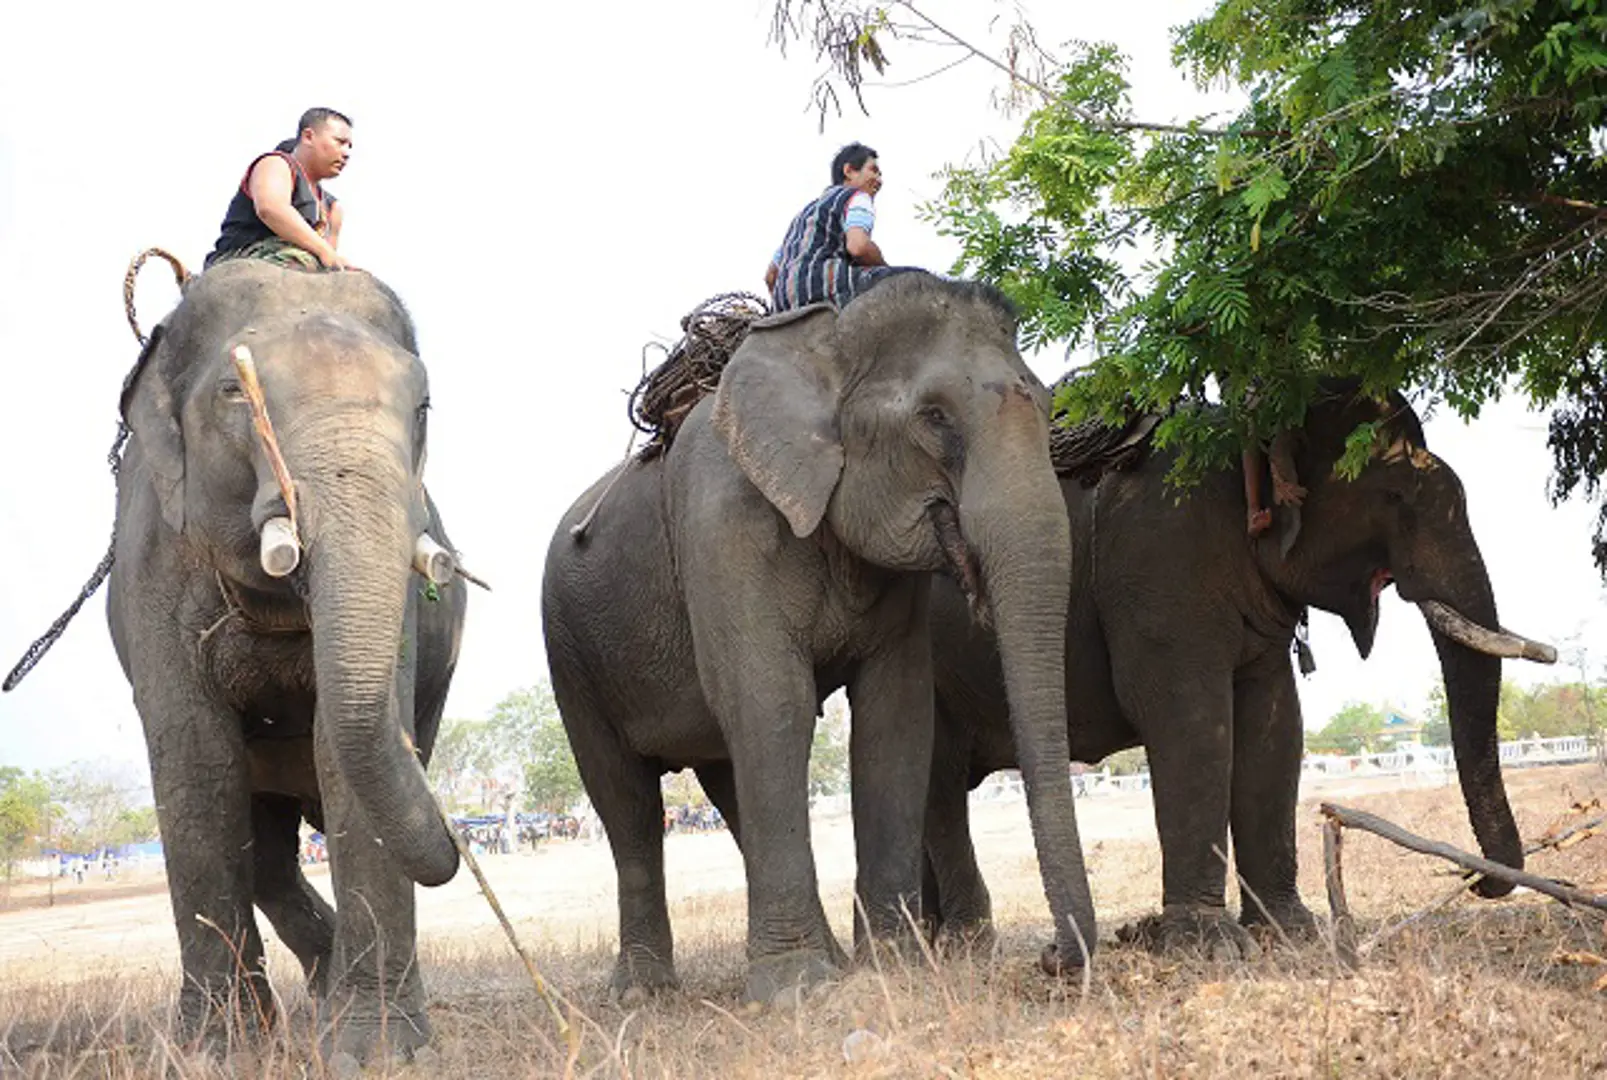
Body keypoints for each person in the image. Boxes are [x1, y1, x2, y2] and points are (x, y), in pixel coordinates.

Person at [205, 107, 355, 271]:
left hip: (302, 267)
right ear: (308, 136)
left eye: (349, 146)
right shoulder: (275, 164)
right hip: (241, 260)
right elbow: (271, 208)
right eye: (339, 142)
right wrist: (323, 250)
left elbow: (330, 261)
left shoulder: (332, 209)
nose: (346, 153)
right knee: (302, 263)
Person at [764, 142, 897, 311]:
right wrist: (886, 272)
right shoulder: (857, 197)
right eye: (873, 170)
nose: (879, 180)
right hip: (825, 286)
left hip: (782, 303)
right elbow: (859, 247)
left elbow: (770, 276)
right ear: (848, 171)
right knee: (913, 280)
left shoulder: (804, 214)